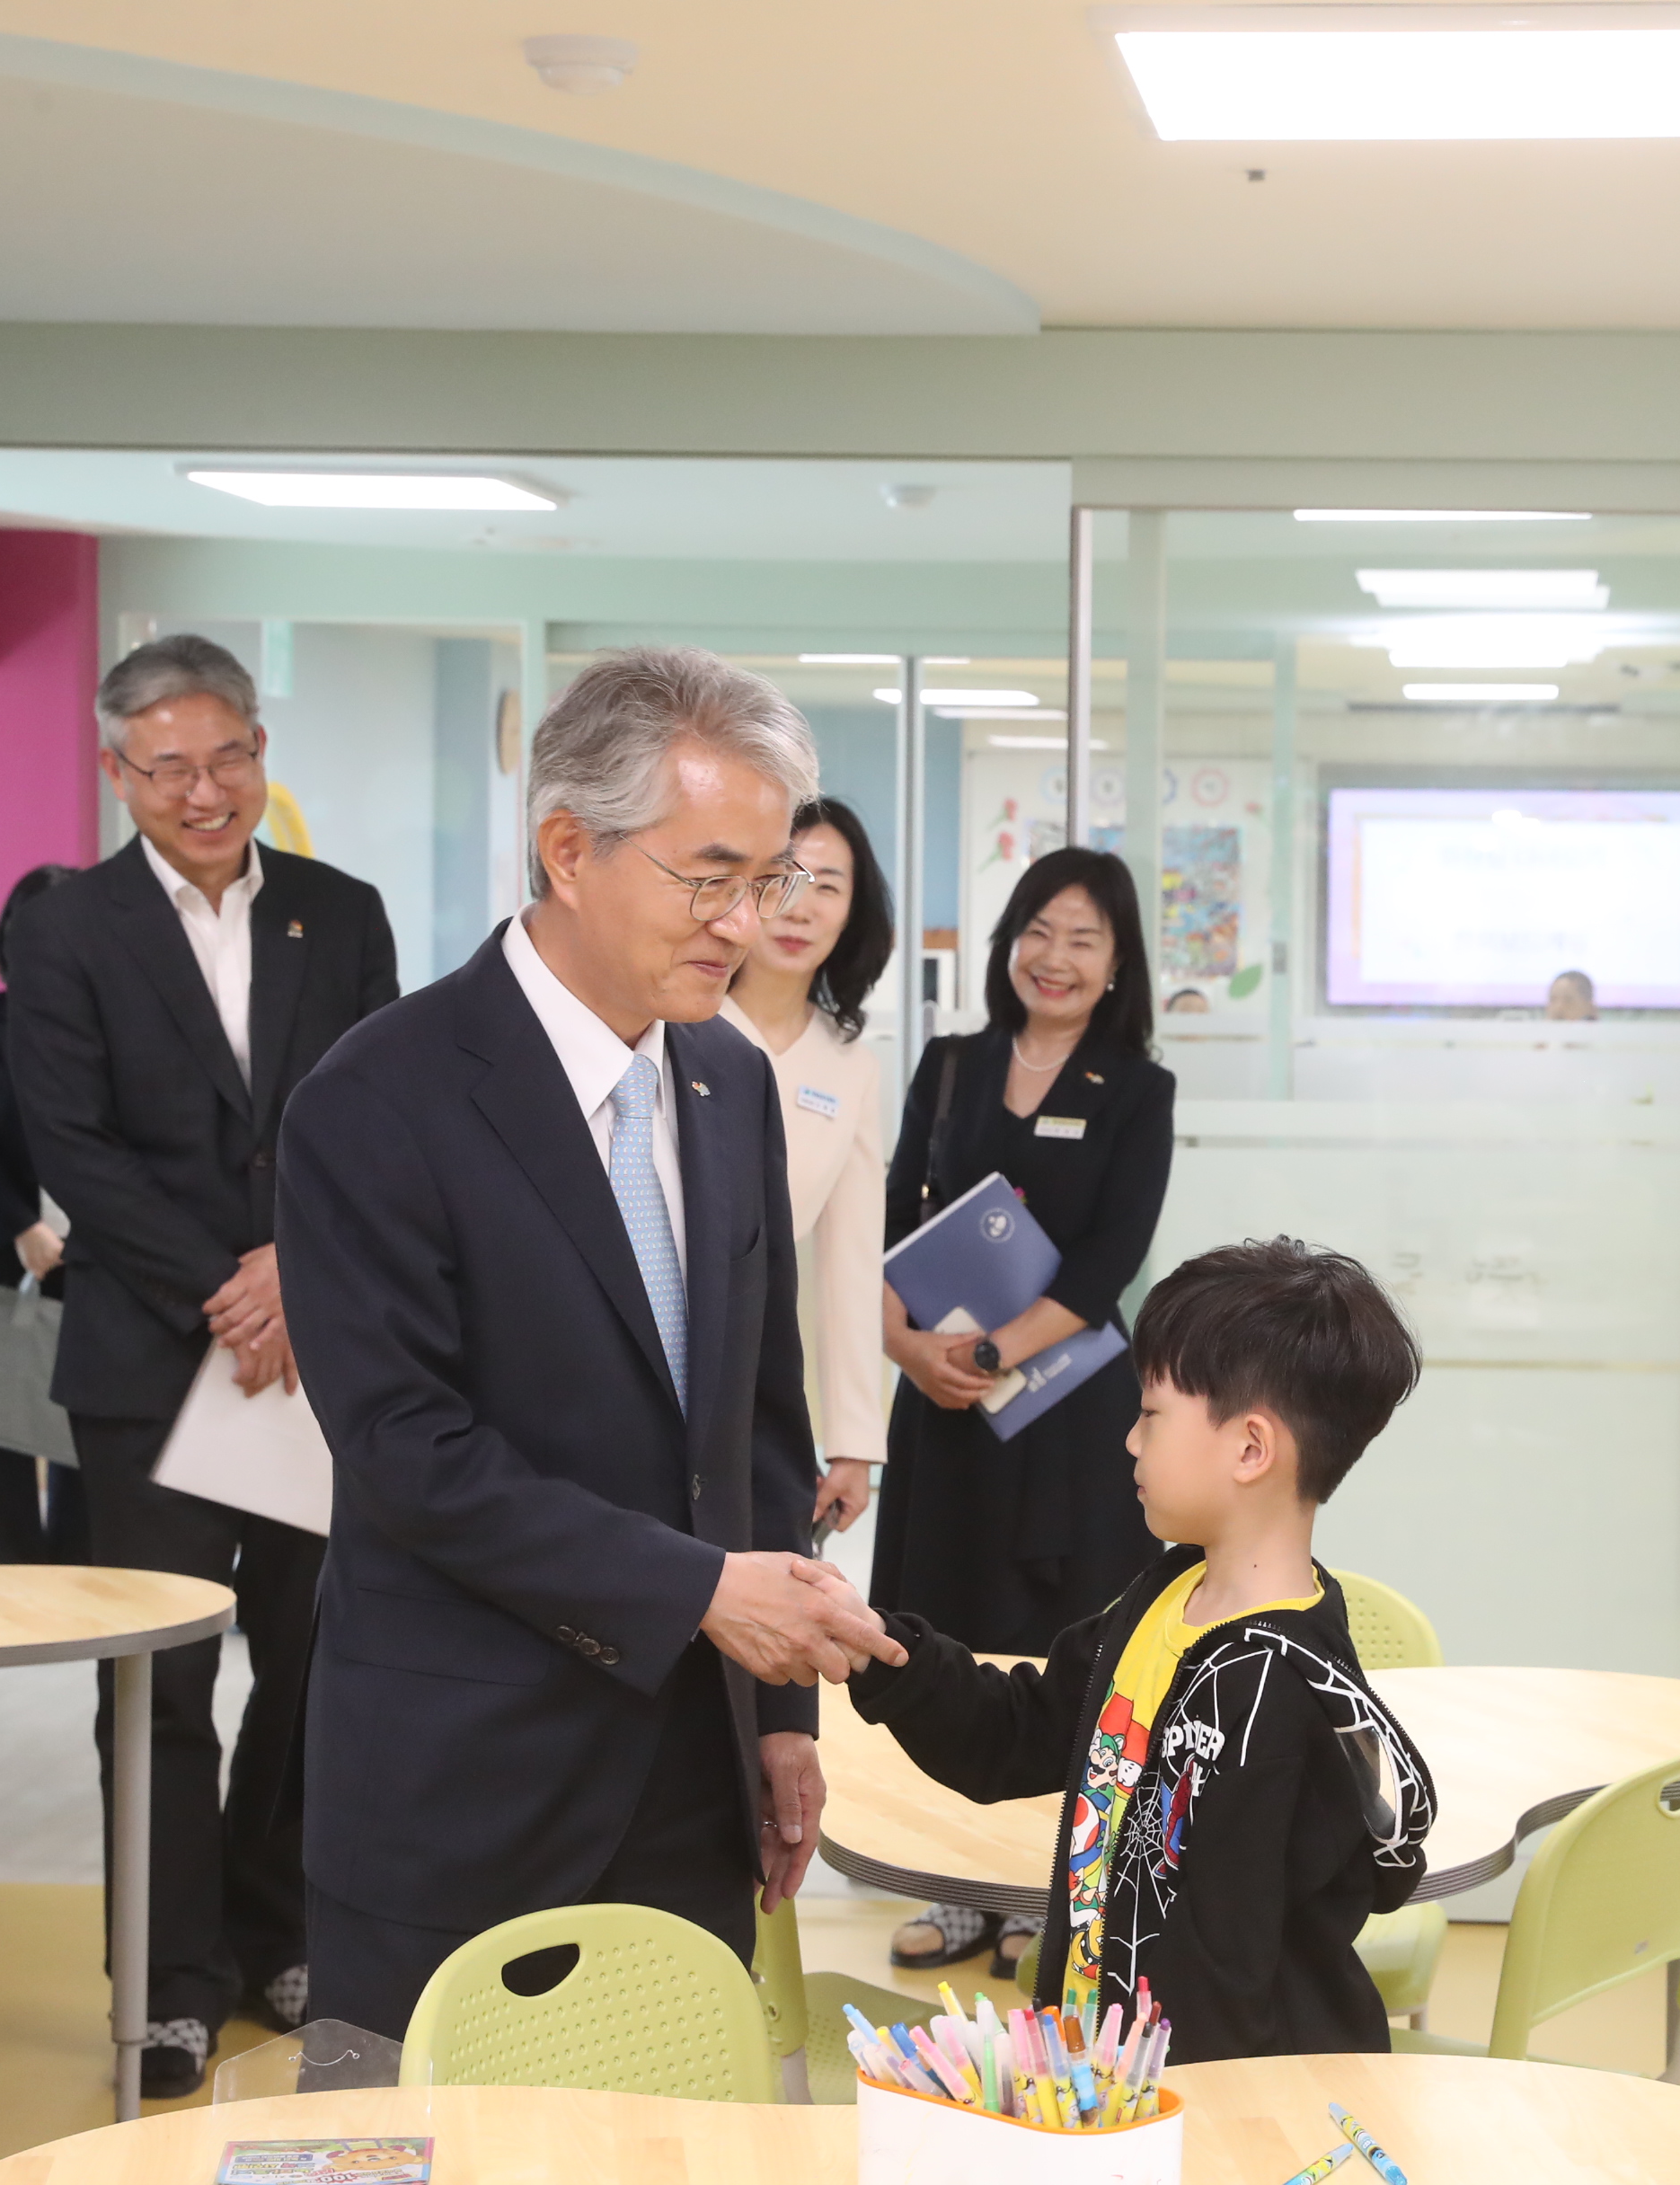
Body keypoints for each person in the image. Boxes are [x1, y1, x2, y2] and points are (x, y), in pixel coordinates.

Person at [276, 646, 902, 2042]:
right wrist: (698, 1591)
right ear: (569, 849)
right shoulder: (377, 1098)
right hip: (462, 1780)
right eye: (710, 878)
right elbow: (406, 1451)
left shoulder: (731, 1079)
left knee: (673, 2132)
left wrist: (779, 1714)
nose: (745, 925)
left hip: (690, 1779)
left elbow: (759, 1422)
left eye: (770, 883)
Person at [5, 634, 400, 2095]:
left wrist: (297, 1264)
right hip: (146, 1363)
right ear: (117, 772)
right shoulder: (69, 927)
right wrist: (224, 1287)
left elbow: (375, 1110)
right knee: (161, 1686)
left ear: (259, 751)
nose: (203, 789)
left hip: (315, 1356)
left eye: (227, 755)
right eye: (167, 765)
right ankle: (167, 1981)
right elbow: (71, 1144)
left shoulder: (338, 914)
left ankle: (276, 1927)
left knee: (313, 1665)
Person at [851, 1236, 1434, 2057]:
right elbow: (1016, 1734)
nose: (1129, 1440)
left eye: (1151, 1415)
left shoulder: (1278, 1686)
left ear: (1251, 1448)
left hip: (1208, 2101)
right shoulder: (1161, 1598)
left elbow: (1232, 1979)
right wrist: (882, 1651)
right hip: (1106, 2077)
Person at [874, 846, 1175, 1977]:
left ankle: (1048, 1896)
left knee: (1064, 1651)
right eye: (1038, 930)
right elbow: (890, 1217)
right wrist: (910, 1348)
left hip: (1071, 1415)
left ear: (1117, 962)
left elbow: (1112, 1257)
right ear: (1008, 942)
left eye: (1083, 938)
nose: (1055, 956)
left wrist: (996, 1349)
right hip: (946, 1408)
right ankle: (951, 1889)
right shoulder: (952, 1065)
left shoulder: (1136, 1089)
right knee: (944, 1633)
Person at [718, 795, 895, 1542]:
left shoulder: (850, 1064)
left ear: (853, 912)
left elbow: (850, 1264)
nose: (802, 907)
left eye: (829, 886)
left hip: (760, 1369)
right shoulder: (676, 1024)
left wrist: (853, 1444)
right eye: (782, 878)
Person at [0, 862, 86, 1566]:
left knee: (83, 1430)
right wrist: (19, 1226)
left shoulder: (122, 1027)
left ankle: (77, 1572)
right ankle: (6, 1570)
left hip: (94, 1255)